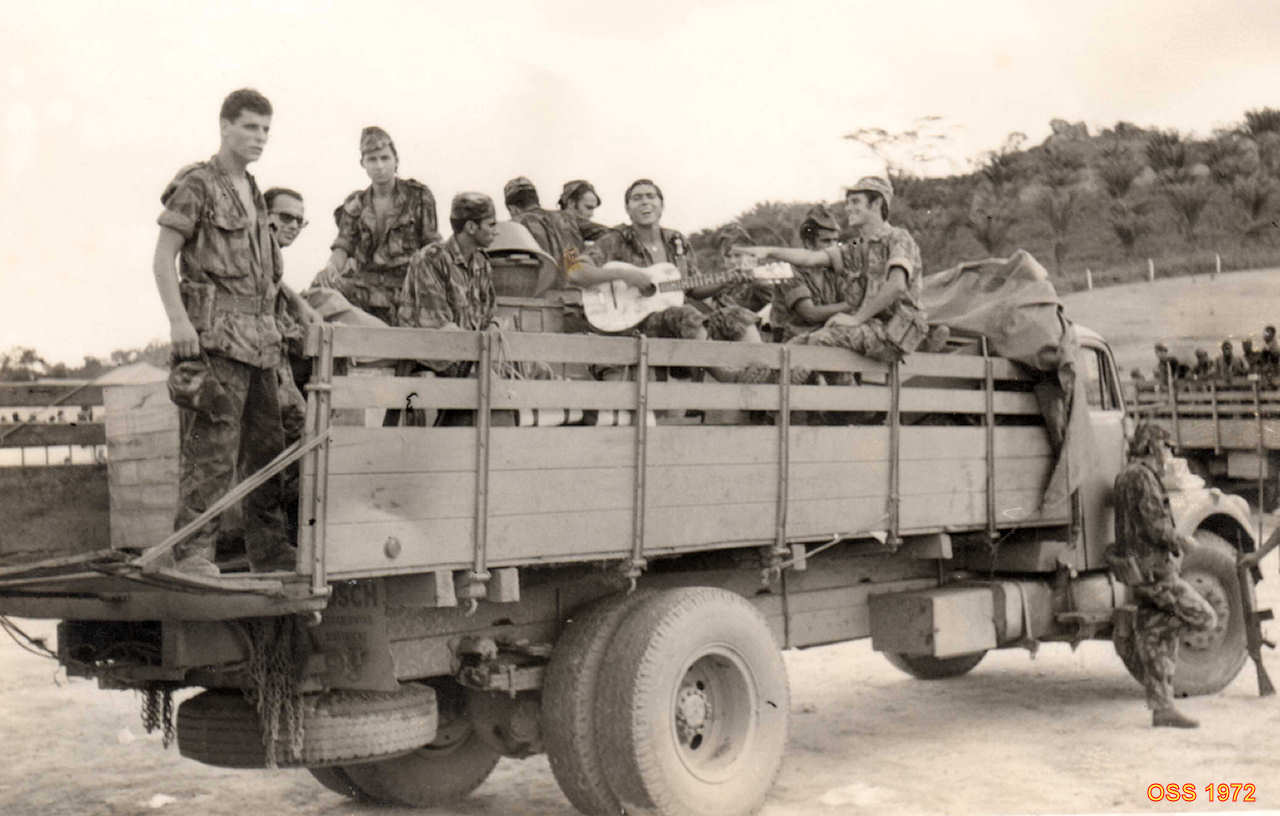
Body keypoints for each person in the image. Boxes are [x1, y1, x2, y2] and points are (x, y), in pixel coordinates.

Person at [151, 88, 296, 576]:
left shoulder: (252, 190)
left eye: (266, 130)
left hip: (261, 342)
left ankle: (270, 552)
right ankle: (193, 553)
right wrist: (178, 321)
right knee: (212, 450)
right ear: (225, 126)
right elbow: (163, 259)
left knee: (267, 449)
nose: (260, 138)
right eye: (251, 127)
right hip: (215, 339)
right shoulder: (199, 184)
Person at [740, 176, 926, 364]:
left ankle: (821, 381)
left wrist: (857, 318)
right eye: (848, 202)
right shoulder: (857, 246)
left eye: (856, 201)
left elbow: (897, 285)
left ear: (877, 203)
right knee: (795, 346)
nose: (848, 208)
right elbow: (811, 258)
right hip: (869, 327)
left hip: (893, 331)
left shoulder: (899, 238)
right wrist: (769, 251)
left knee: (820, 340)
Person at [1106, 422, 1217, 728]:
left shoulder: (1125, 476)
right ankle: (1140, 629)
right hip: (1156, 571)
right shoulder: (1142, 477)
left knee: (1159, 639)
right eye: (1166, 447)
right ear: (1152, 446)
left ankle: (1162, 708)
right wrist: (1181, 541)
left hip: (1140, 572)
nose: (1168, 454)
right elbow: (1156, 525)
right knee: (1206, 618)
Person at [313, 126, 440, 324]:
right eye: (372, 159)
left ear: (396, 160)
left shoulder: (419, 196)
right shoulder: (355, 202)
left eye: (385, 158)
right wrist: (330, 269)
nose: (379, 166)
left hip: (406, 288)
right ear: (362, 163)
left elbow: (432, 246)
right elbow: (343, 246)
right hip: (364, 287)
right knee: (316, 291)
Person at [585, 179, 713, 368]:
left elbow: (692, 287)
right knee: (686, 314)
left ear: (661, 205)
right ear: (627, 209)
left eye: (650, 196)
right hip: (632, 325)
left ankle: (757, 377)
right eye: (637, 198)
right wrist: (624, 275)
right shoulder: (614, 240)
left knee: (735, 315)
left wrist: (729, 279)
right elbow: (576, 271)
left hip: (676, 321)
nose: (645, 202)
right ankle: (728, 375)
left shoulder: (677, 241)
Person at [398, 192, 500, 347]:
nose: (496, 231)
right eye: (491, 225)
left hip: (469, 354)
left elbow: (489, 318)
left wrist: (493, 329)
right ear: (471, 227)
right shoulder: (431, 260)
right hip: (429, 355)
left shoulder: (481, 263)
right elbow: (440, 328)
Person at [770, 204, 848, 341]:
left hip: (824, 337)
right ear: (808, 244)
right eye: (826, 241)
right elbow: (810, 314)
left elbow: (849, 296)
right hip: (793, 342)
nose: (833, 247)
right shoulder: (789, 270)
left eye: (835, 241)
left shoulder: (832, 269)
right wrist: (853, 305)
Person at [557, 179, 610, 244]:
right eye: (588, 208)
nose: (591, 214)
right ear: (571, 203)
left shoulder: (573, 233)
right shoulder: (559, 226)